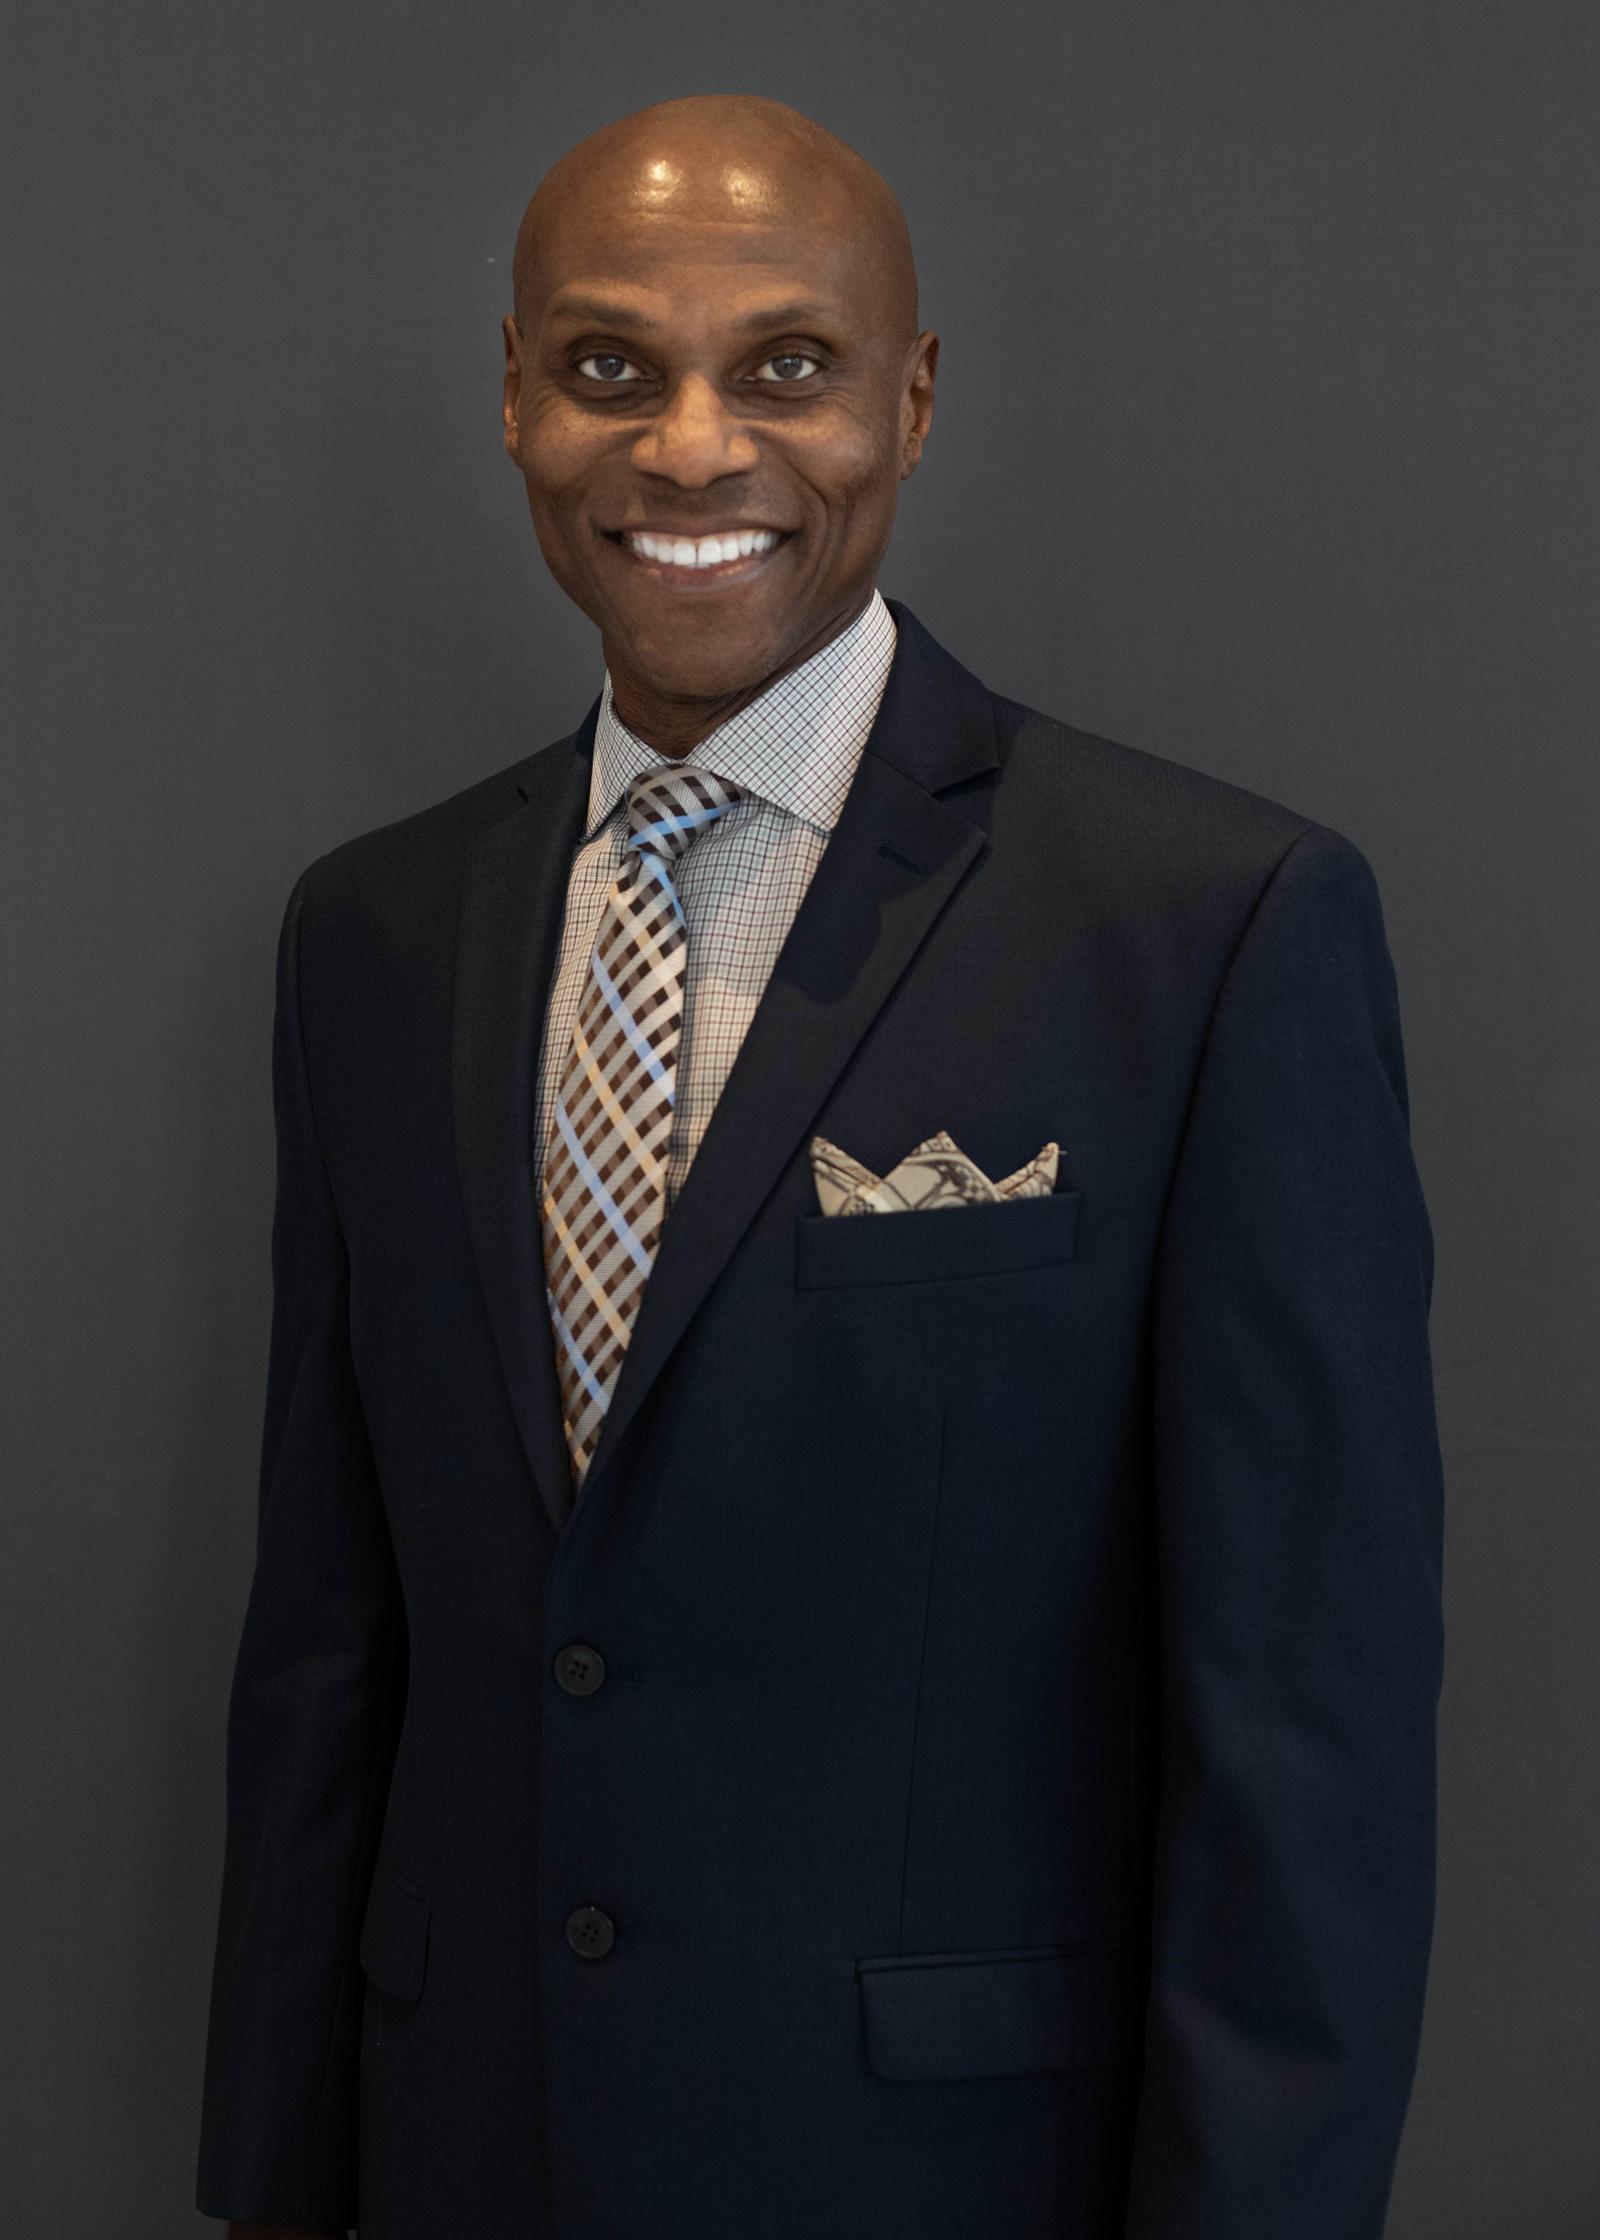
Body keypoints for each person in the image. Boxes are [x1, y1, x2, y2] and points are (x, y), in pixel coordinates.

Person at [196, 91, 1445, 2240]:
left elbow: (1301, 1744)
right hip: (459, 2156)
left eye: (783, 365)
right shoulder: (372, 937)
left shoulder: (1202, 926)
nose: (688, 447)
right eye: (607, 368)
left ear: (911, 398)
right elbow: (331, 1634)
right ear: (511, 398)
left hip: (942, 2176)